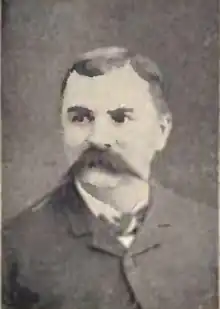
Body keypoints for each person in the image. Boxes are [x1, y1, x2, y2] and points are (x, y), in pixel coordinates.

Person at [2, 47, 217, 309]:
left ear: (162, 131)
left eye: (120, 118)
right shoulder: (12, 248)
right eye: (80, 118)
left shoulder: (211, 234)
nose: (98, 138)